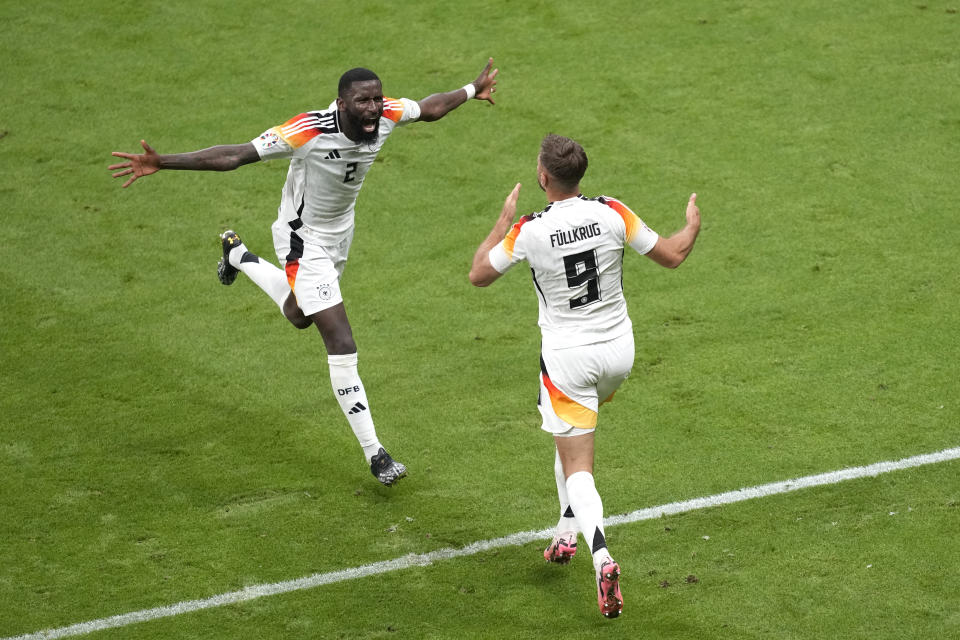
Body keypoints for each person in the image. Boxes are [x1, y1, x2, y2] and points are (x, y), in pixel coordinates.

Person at [110, 59, 499, 486]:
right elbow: (234, 156)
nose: (372, 108)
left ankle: (236, 255)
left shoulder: (388, 112)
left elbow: (431, 107)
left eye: (375, 98)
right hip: (302, 239)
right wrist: (163, 162)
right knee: (340, 339)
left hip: (339, 235)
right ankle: (376, 454)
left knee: (299, 315)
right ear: (342, 103)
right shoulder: (308, 130)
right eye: (362, 101)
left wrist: (471, 88)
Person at [468, 134, 701, 618]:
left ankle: (602, 557)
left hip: (569, 360)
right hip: (619, 354)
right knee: (565, 433)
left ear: (542, 177)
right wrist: (691, 225)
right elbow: (674, 254)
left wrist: (502, 223)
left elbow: (478, 274)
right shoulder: (613, 211)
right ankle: (564, 532)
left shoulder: (529, 229)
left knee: (579, 466)